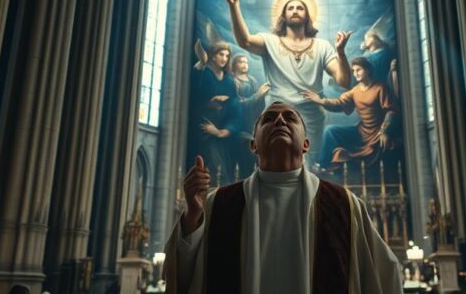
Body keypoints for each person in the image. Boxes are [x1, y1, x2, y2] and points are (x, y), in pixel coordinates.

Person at [164, 101, 402, 293]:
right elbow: (183, 275)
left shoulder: (345, 205)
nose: (279, 120)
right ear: (253, 145)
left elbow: (385, 275)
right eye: (269, 119)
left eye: (290, 118)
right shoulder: (218, 204)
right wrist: (192, 216)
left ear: (306, 144)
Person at [222, 0, 352, 164]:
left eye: (300, 8)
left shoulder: (322, 46)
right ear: (283, 15)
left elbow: (344, 81)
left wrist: (341, 53)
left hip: (311, 117)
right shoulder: (271, 41)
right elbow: (245, 41)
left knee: (308, 168)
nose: (295, 10)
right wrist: (234, 5)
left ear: (307, 15)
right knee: (277, 164)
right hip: (277, 114)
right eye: (290, 8)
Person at [301, 57, 398, 169]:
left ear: (368, 70)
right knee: (330, 130)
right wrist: (321, 101)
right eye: (353, 71)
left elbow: (391, 110)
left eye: (358, 70)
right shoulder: (355, 91)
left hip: (377, 134)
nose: (355, 73)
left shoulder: (380, 88)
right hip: (361, 132)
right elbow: (339, 103)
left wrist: (385, 131)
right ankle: (322, 165)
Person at [191, 40, 245, 175]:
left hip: (224, 130)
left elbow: (236, 111)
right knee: (213, 166)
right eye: (221, 54)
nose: (224, 59)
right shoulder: (205, 74)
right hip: (206, 127)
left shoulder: (229, 81)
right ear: (213, 56)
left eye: (227, 56)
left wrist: (222, 132)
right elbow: (194, 93)